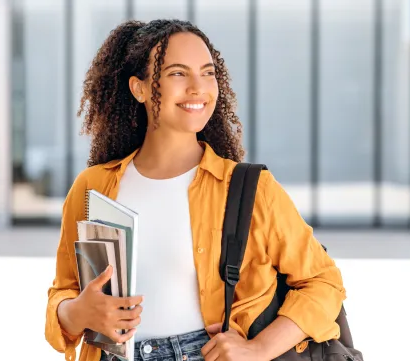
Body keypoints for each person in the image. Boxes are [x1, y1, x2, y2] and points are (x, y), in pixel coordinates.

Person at [45, 19, 346, 361]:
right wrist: (77, 312)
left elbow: (323, 283)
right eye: (177, 73)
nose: (198, 87)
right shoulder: (93, 188)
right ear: (139, 88)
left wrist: (259, 348)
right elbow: (64, 293)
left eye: (208, 73)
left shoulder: (250, 188)